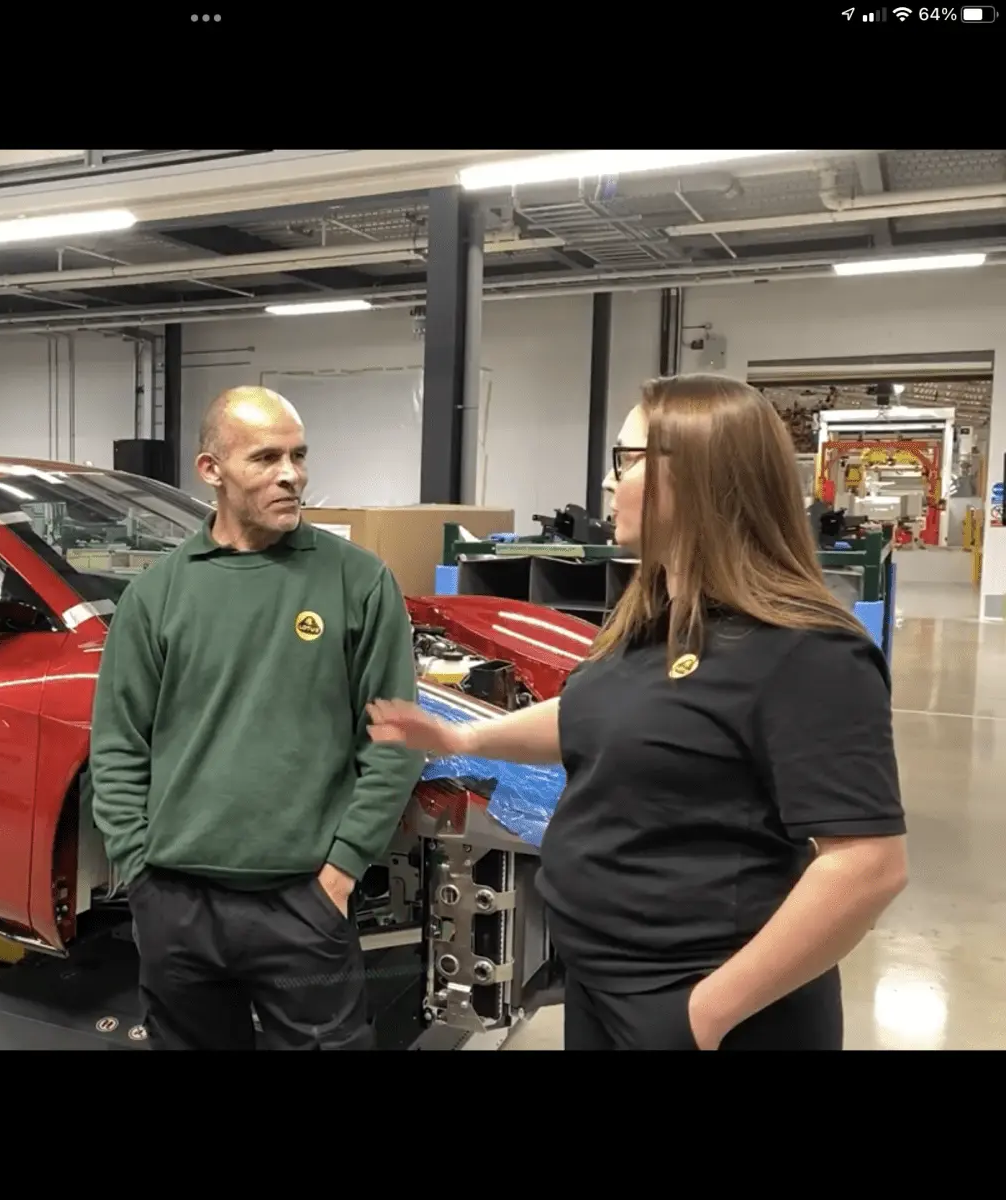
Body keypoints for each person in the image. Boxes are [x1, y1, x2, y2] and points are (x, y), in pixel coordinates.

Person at [367, 373, 908, 1051]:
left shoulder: (806, 650)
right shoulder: (653, 622)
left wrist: (702, 1017)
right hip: (601, 981)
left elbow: (866, 867)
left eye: (626, 459)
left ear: (702, 475)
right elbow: (591, 715)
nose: (606, 482)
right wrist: (460, 736)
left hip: (704, 1006)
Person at [90, 385, 426, 1051]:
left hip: (304, 903)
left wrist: (342, 869)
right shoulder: (158, 595)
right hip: (178, 908)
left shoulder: (357, 582)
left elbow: (394, 737)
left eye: (299, 456)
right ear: (210, 469)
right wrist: (141, 873)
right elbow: (119, 745)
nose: (291, 475)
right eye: (266, 458)